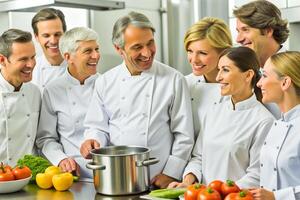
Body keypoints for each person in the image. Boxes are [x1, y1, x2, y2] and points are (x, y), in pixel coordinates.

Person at [80, 11, 194, 188]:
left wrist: (171, 173)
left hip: (159, 178)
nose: (147, 53)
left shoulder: (173, 79)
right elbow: (97, 126)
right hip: (117, 178)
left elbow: (184, 135)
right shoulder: (105, 81)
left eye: (150, 43)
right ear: (119, 49)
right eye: (137, 47)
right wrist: (92, 140)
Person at [169, 47, 274, 189]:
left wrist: (219, 192)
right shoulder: (214, 111)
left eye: (225, 70)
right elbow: (198, 157)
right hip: (205, 197)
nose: (218, 77)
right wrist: (187, 181)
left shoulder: (264, 121)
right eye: (219, 70)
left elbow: (256, 175)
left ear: (248, 75)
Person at [36, 27, 100, 178]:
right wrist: (61, 159)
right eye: (88, 51)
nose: (96, 55)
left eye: (97, 49)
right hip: (71, 174)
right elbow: (46, 138)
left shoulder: (107, 85)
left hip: (106, 169)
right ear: (68, 57)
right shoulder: (53, 90)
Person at [250, 51, 300, 200]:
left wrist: (276, 196)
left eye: (264, 76)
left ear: (285, 83)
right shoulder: (277, 123)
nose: (259, 83)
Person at [233, 0, 289, 119]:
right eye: (238, 31)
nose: (238, 39)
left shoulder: (295, 68)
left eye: (245, 30)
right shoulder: (245, 72)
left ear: (268, 31)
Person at [184, 17, 232, 136]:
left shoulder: (237, 89)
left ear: (224, 52)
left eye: (202, 53)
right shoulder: (184, 83)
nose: (194, 60)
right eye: (190, 51)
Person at [0, 29, 41, 166]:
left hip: (29, 177)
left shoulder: (35, 93)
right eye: (23, 59)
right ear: (2, 60)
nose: (31, 64)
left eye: (33, 57)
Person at [31, 8, 67, 92]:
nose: (53, 41)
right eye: (46, 35)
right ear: (36, 37)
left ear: (65, 34)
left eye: (57, 34)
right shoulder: (31, 70)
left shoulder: (79, 67)